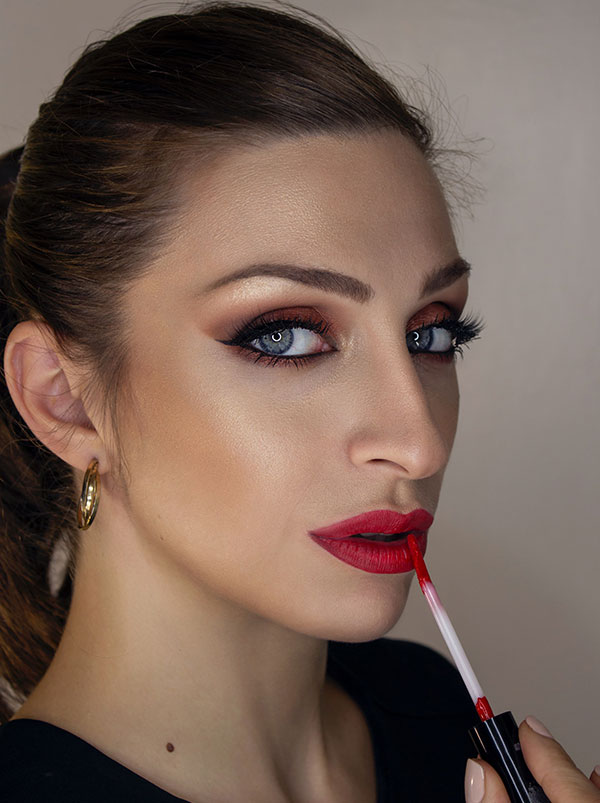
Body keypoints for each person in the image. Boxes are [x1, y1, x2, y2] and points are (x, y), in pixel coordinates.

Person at [0, 2, 597, 801]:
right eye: (284, 337)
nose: (418, 443)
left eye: (430, 333)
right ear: (64, 399)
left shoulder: (440, 724)